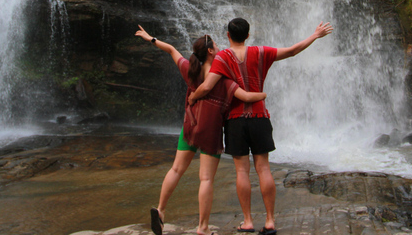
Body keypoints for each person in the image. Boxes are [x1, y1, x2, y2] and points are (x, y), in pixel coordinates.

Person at [188, 18, 333, 235]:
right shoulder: (261, 52)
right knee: (263, 168)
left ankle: (247, 221)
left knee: (242, 171)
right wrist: (315, 35)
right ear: (248, 35)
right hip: (259, 116)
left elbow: (207, 86)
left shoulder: (222, 57)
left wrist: (192, 98)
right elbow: (293, 51)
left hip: (235, 120)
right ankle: (270, 220)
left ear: (228, 35)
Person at [136, 25, 267, 235]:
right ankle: (203, 227)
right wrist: (262, 95)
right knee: (206, 179)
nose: (219, 46)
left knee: (176, 170)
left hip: (190, 127)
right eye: (215, 44)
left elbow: (171, 49)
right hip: (211, 132)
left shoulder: (190, 69)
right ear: (211, 52)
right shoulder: (223, 80)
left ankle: (160, 210)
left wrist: (150, 38)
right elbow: (245, 96)